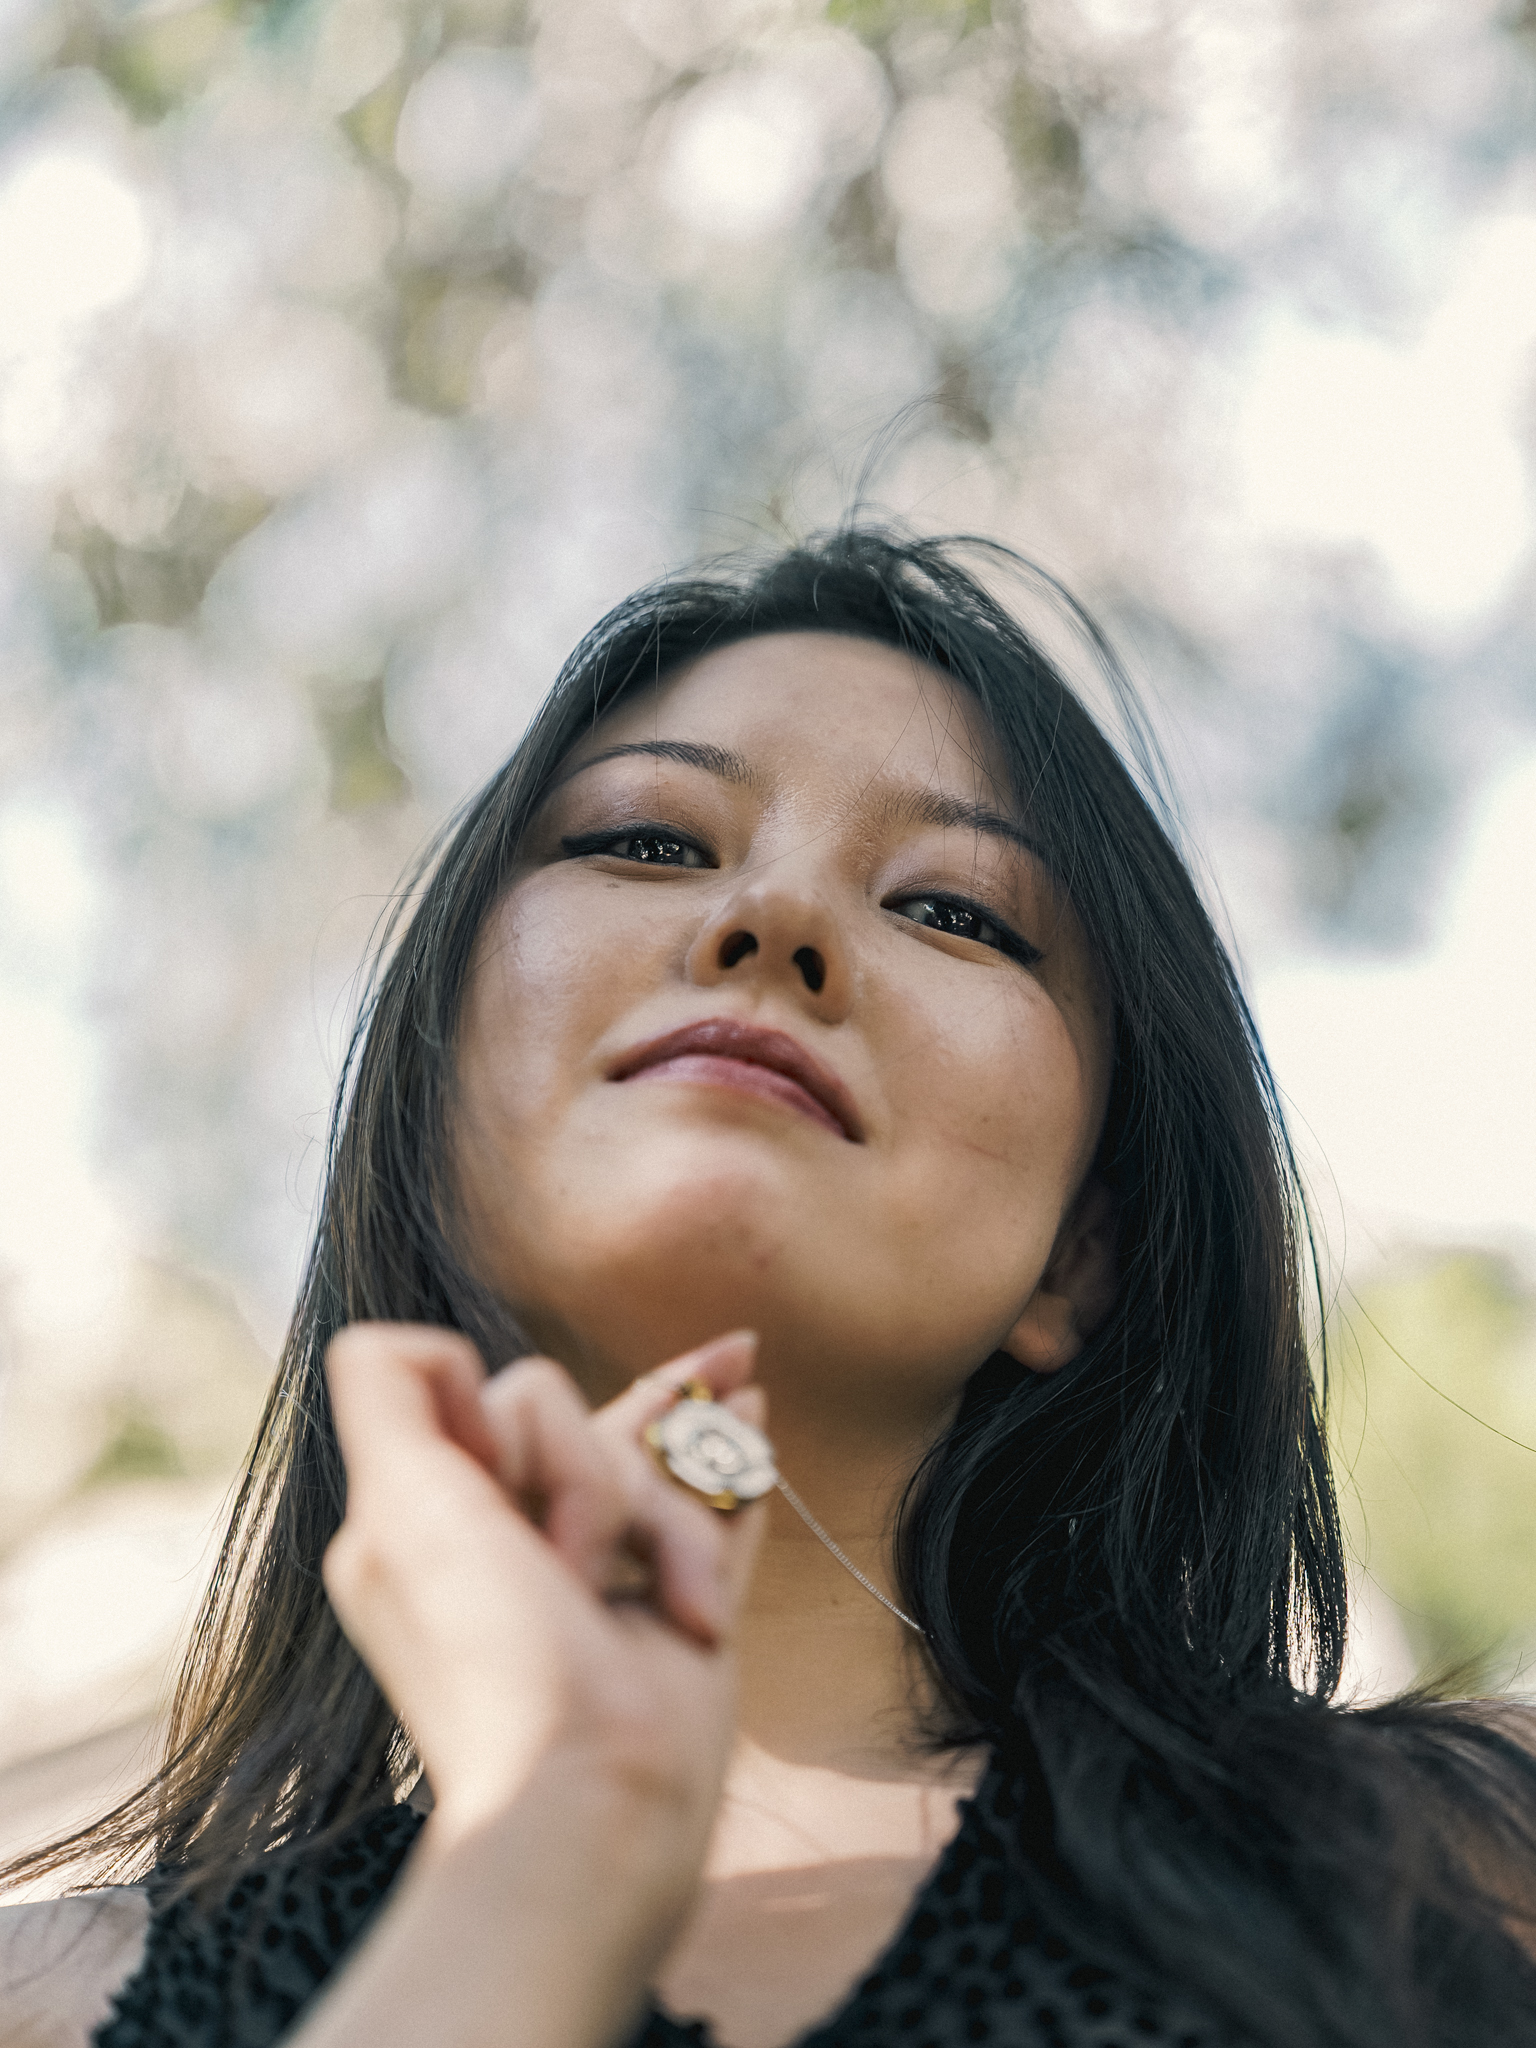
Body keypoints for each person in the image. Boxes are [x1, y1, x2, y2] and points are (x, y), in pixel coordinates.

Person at [3, 527, 1535, 2048]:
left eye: (955, 911)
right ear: (430, 1103)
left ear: (1083, 1253)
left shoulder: (1467, 1873)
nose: (778, 921)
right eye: (649, 841)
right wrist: (551, 1843)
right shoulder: (47, 2003)